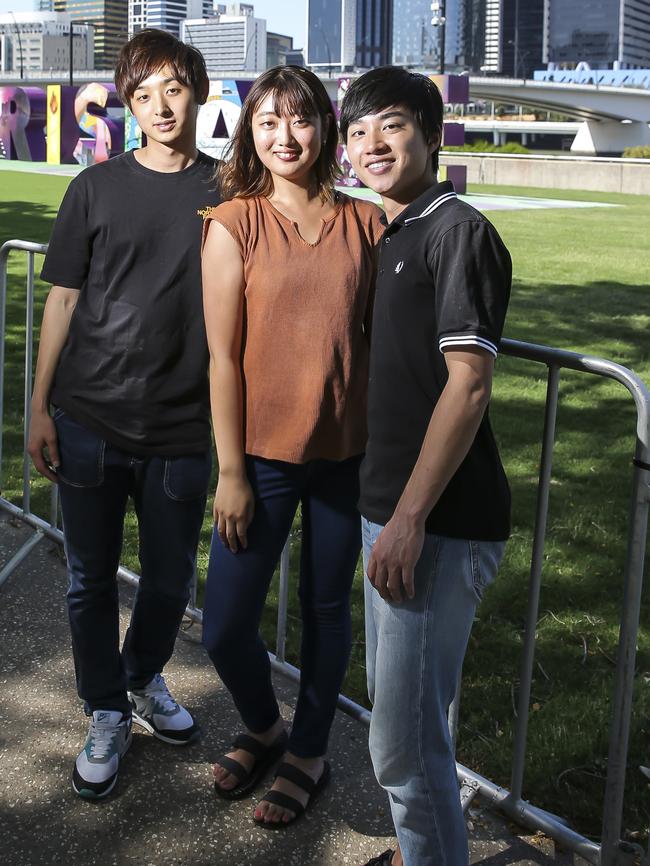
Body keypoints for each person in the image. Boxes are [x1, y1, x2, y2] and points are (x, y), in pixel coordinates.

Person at [27, 29, 221, 800]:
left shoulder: (228, 187)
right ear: (129, 102)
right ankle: (104, 708)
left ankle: (141, 680)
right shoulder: (95, 187)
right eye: (144, 93)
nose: (161, 105)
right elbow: (64, 296)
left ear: (197, 91)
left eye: (174, 87)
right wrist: (39, 406)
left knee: (171, 582)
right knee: (88, 580)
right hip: (87, 418)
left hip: (180, 426)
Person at [201, 65, 383, 828]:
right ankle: (265, 726)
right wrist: (233, 471)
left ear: (324, 128)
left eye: (301, 120)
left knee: (324, 609)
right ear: (251, 130)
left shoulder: (368, 224)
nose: (285, 135)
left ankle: (307, 751)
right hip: (263, 464)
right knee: (224, 626)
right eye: (269, 120)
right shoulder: (232, 222)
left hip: (345, 459)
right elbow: (223, 358)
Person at [340, 67, 512, 866]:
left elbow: (468, 385)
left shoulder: (456, 229)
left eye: (392, 125)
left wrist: (407, 522)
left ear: (432, 135)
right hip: (394, 513)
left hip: (437, 524)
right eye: (358, 131)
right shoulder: (394, 230)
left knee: (404, 749)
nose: (372, 143)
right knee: (405, 728)